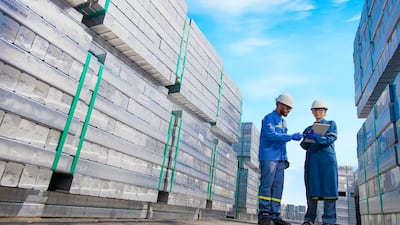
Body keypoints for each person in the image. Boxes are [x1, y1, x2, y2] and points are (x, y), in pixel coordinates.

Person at [258, 93, 303, 225]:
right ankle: (264, 214)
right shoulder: (268, 119)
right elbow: (272, 136)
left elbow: (282, 142)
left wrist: (285, 159)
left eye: (290, 109)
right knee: (267, 186)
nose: (289, 111)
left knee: (278, 187)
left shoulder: (283, 122)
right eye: (287, 108)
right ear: (279, 105)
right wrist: (291, 137)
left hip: (280, 159)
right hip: (269, 157)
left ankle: (275, 215)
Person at [300, 99, 338, 225]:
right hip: (313, 163)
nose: (318, 112)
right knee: (312, 191)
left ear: (325, 112)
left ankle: (329, 220)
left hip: (327, 162)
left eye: (321, 110)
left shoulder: (331, 124)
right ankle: (309, 220)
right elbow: (304, 146)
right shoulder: (308, 128)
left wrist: (317, 137)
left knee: (329, 190)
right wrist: (308, 137)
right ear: (312, 112)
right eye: (315, 110)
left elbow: (330, 139)